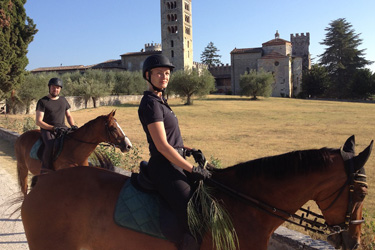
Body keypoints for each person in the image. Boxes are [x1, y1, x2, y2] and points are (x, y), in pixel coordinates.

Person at [138, 54, 211, 250]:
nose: (164, 77)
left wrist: (189, 150)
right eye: (159, 73)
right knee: (192, 214)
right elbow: (162, 146)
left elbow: (171, 140)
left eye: (167, 73)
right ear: (148, 76)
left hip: (174, 161)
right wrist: (192, 169)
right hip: (164, 167)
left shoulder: (160, 101)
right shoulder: (150, 104)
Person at [35, 77, 78, 173]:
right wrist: (53, 128)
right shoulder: (42, 101)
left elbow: (69, 115)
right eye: (53, 87)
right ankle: (45, 169)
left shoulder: (63, 100)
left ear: (60, 89)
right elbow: (38, 121)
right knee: (50, 145)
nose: (55, 89)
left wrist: (73, 126)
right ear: (49, 87)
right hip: (47, 129)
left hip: (62, 128)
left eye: (58, 88)